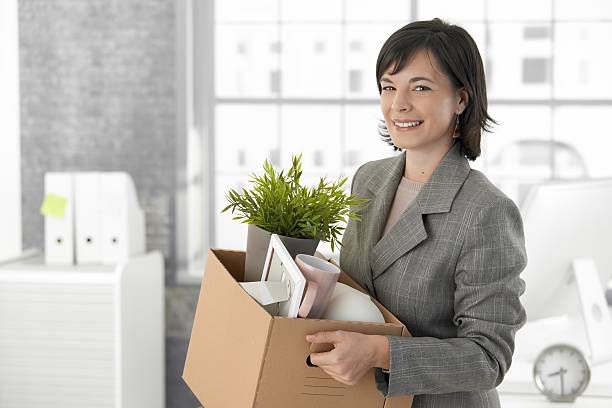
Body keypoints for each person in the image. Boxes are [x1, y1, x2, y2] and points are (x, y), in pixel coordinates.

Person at [306, 18, 527, 408]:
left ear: (461, 99)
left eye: (420, 87)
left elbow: (488, 358)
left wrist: (379, 352)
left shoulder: (486, 211)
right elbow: (368, 284)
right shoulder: (368, 179)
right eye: (388, 87)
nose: (398, 104)